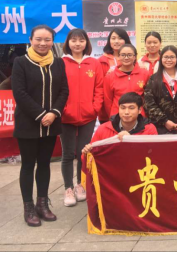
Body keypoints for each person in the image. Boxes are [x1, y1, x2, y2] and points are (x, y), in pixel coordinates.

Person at [12, 25, 69, 227]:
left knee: (44, 164)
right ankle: (28, 207)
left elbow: (64, 91)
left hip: (51, 123)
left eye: (47, 40)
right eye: (38, 39)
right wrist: (41, 114)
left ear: (53, 41)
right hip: (28, 123)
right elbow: (19, 93)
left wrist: (54, 113)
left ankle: (42, 204)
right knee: (28, 165)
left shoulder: (58, 63)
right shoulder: (21, 62)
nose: (43, 43)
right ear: (30, 40)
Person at [61, 29, 104, 207]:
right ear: (68, 43)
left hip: (88, 116)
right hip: (65, 117)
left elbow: (99, 88)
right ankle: (68, 188)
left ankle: (80, 184)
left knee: (83, 152)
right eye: (74, 40)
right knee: (67, 154)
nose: (77, 44)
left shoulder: (94, 63)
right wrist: (63, 110)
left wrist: (94, 109)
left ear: (86, 42)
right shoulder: (61, 63)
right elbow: (57, 89)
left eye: (81, 40)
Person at [82, 92, 157, 152]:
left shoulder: (149, 129)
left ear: (139, 110)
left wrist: (131, 140)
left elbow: (154, 154)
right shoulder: (104, 129)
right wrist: (86, 152)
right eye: (123, 108)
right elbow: (90, 156)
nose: (126, 112)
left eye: (131, 108)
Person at [144, 46, 177, 134]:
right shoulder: (153, 79)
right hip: (160, 128)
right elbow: (149, 104)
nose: (169, 60)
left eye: (172, 57)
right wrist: (165, 121)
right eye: (166, 57)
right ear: (161, 58)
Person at [103, 44, 150, 121]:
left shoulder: (145, 74)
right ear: (119, 56)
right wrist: (113, 116)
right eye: (123, 55)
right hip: (117, 117)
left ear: (135, 57)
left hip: (140, 117)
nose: (126, 57)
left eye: (129, 55)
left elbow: (148, 98)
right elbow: (108, 101)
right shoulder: (110, 76)